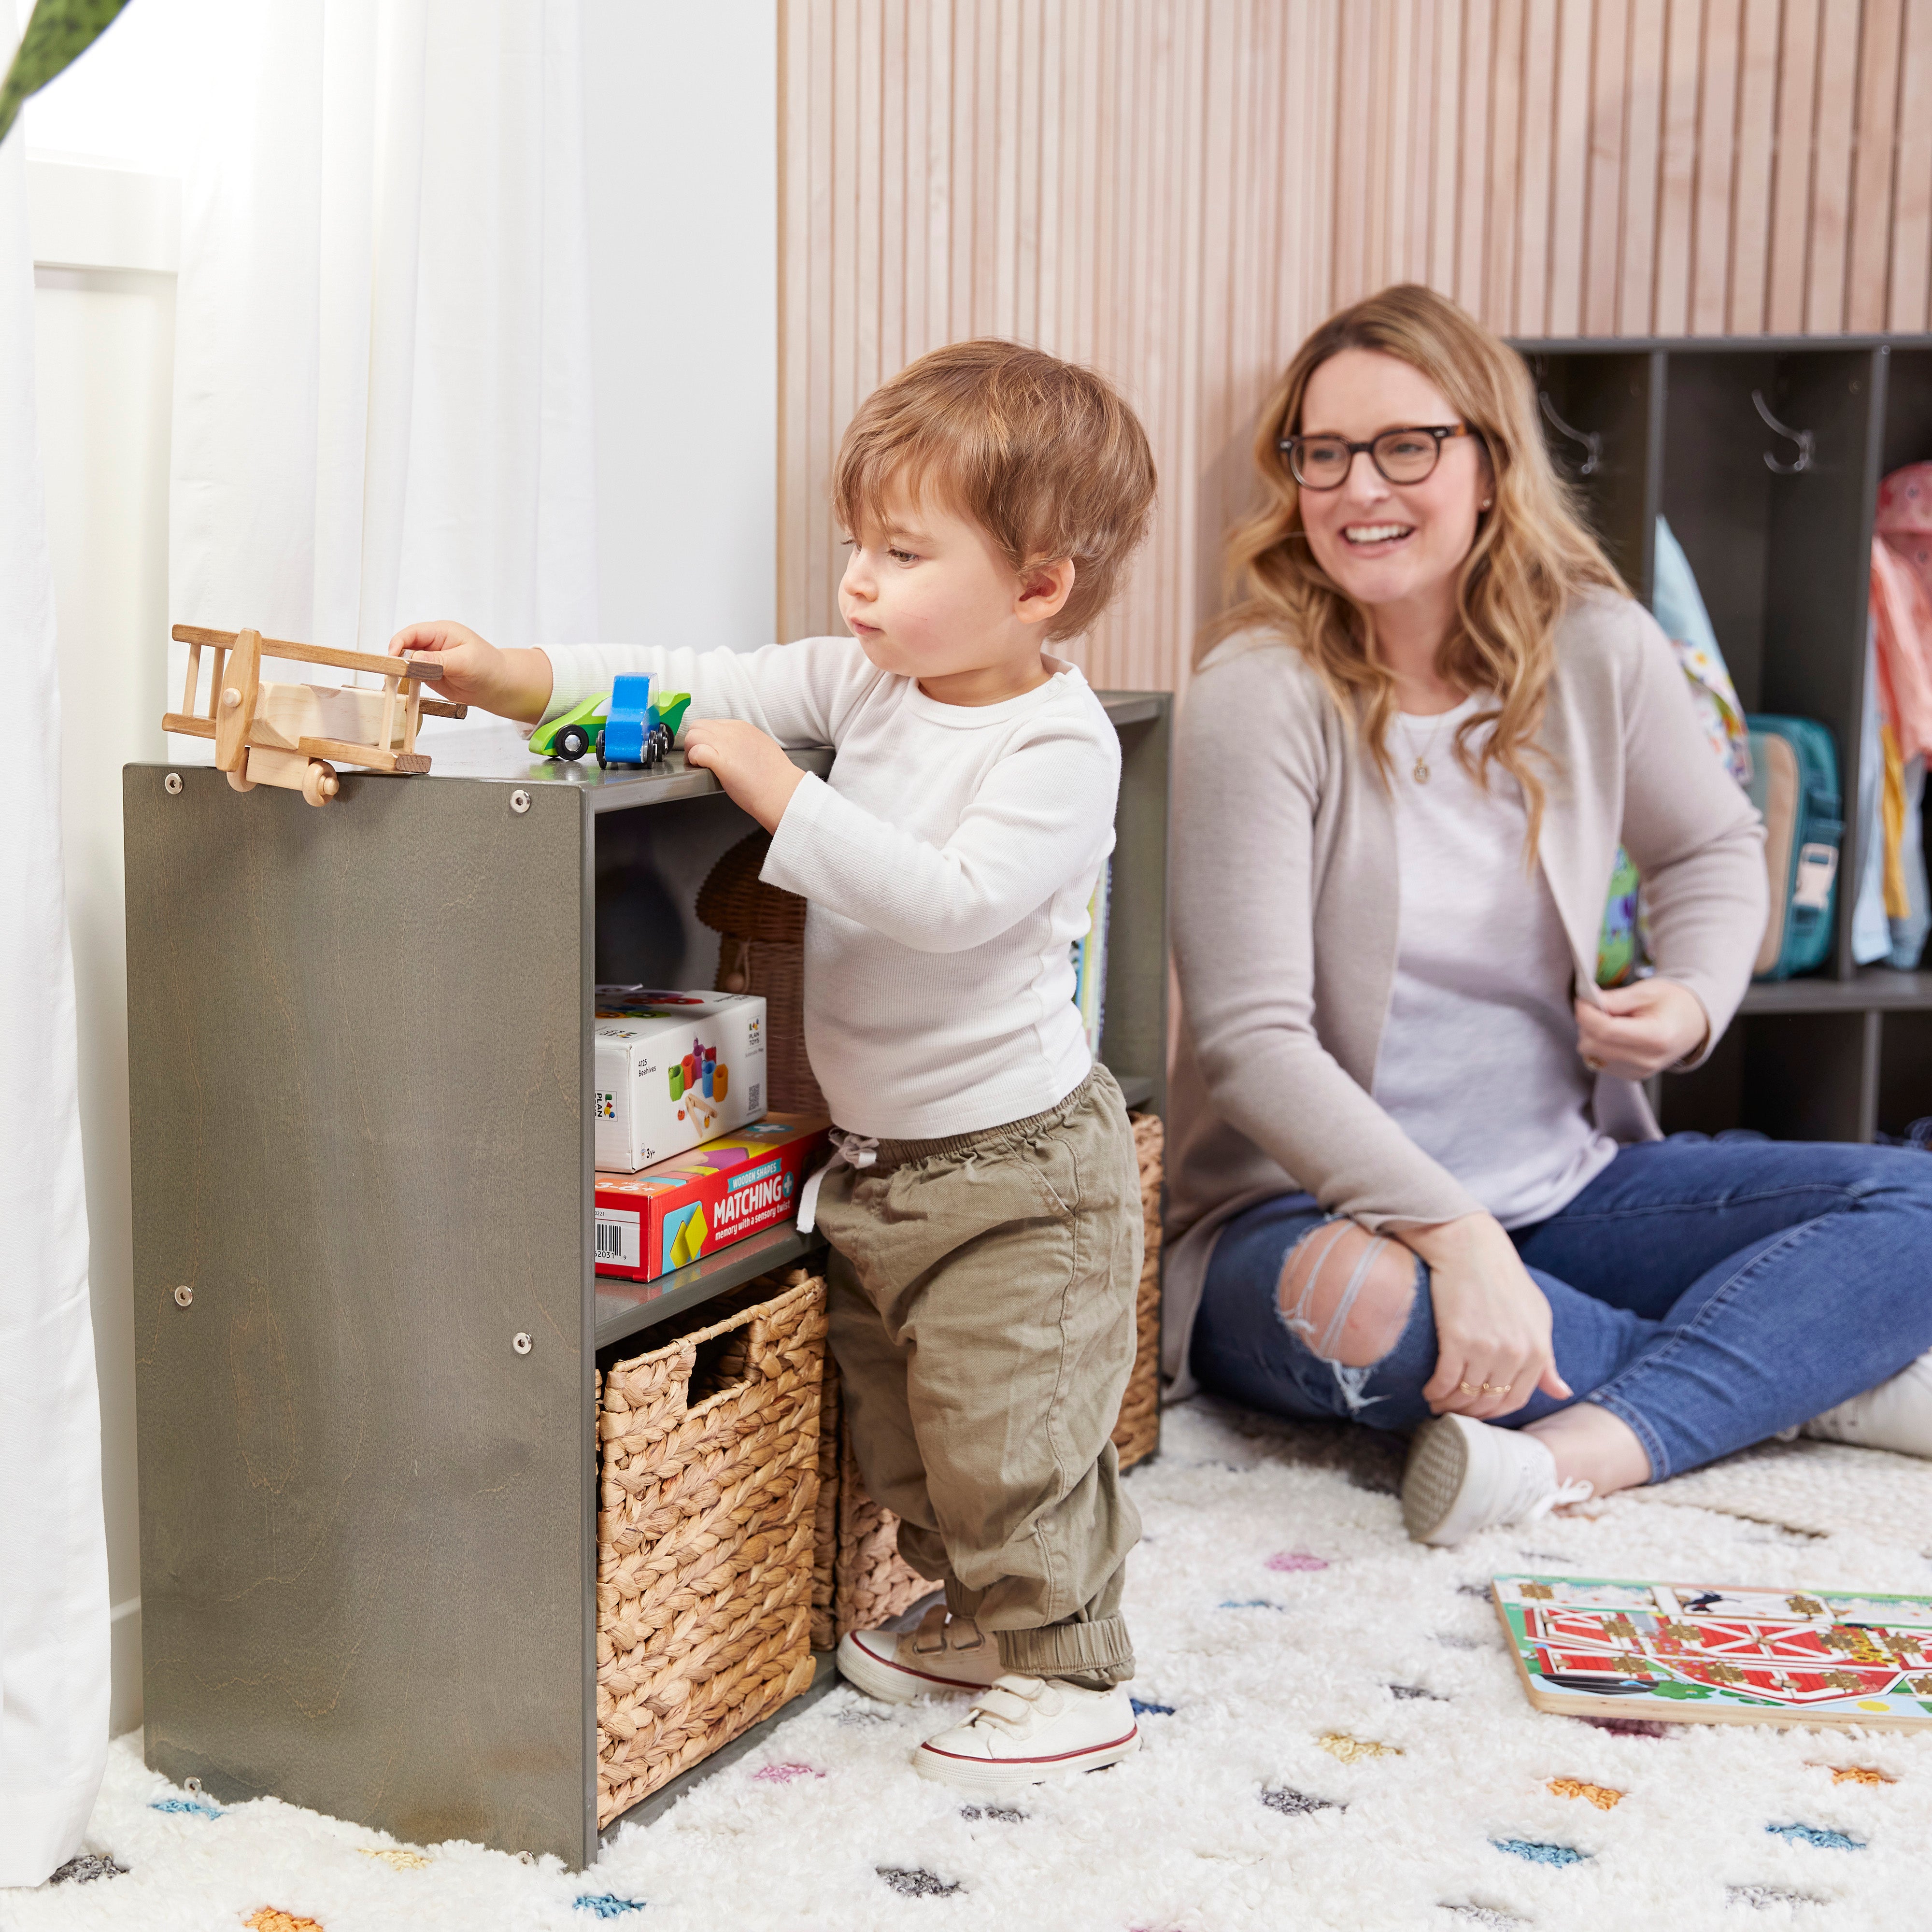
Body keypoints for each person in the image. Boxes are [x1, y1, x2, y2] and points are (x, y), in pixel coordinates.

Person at [390, 340, 1155, 1794]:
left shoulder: (1058, 747)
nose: (859, 582)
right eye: (855, 546)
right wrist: (509, 676)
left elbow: (951, 899)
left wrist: (779, 791)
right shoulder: (870, 684)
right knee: (910, 1432)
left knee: (1012, 1435)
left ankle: (1067, 1667)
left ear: (1039, 587)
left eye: (903, 552)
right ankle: (986, 1624)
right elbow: (692, 679)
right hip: (884, 1166)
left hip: (1021, 1174)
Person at [1165, 283, 1932, 1548]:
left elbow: (1716, 848)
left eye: (1408, 446)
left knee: (1913, 1200)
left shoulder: (1594, 645)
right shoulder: (1260, 690)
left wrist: (1688, 1002)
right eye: (1325, 454)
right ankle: (1819, 1375)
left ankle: (1592, 1446)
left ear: (1489, 459)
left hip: (1566, 1190)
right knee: (1371, 1312)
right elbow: (1253, 1044)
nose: (1362, 490)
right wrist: (1456, 1243)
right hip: (1301, 1216)